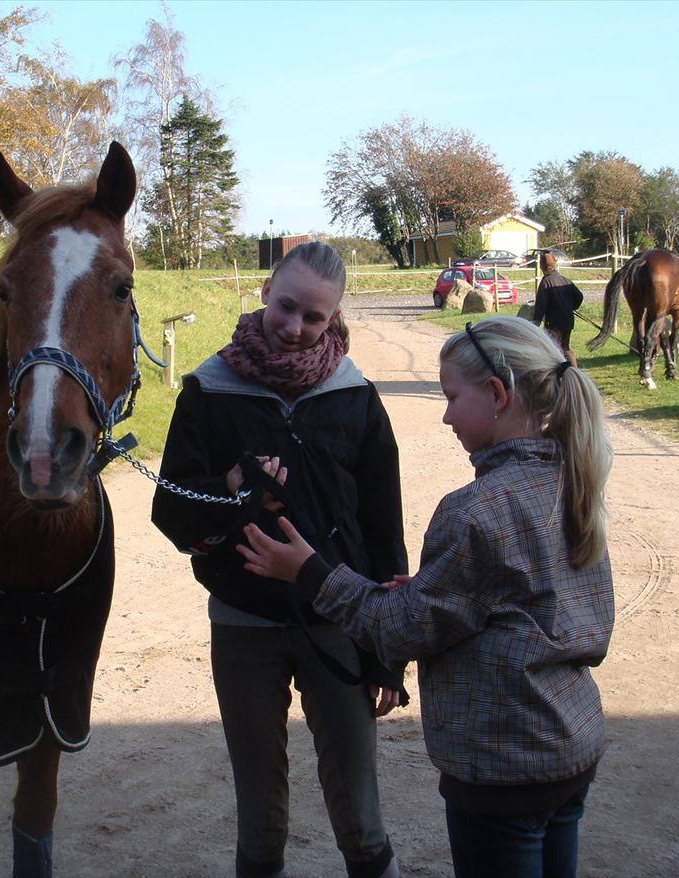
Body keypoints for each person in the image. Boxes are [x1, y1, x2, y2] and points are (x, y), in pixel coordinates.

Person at [238, 316, 615, 878]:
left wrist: (310, 572)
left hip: (503, 767)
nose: (445, 416)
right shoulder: (571, 478)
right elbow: (523, 602)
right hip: (568, 749)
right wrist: (426, 592)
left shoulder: (476, 510)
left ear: (496, 394)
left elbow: (400, 630)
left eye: (451, 397)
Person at [151, 241, 408, 878]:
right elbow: (172, 512)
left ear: (334, 317)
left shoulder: (356, 395)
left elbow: (384, 527)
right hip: (243, 624)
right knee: (260, 818)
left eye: (314, 317)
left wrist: (387, 652)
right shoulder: (208, 389)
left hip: (339, 618)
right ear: (266, 291)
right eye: (286, 307)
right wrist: (233, 489)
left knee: (361, 815)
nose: (294, 327)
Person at [532, 251, 584, 367]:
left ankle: (559, 372)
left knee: (552, 348)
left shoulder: (545, 282)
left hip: (554, 322)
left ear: (542, 266)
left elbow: (541, 305)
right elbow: (579, 296)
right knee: (565, 347)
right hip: (568, 320)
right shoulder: (565, 280)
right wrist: (570, 307)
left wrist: (535, 322)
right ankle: (574, 371)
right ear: (554, 264)